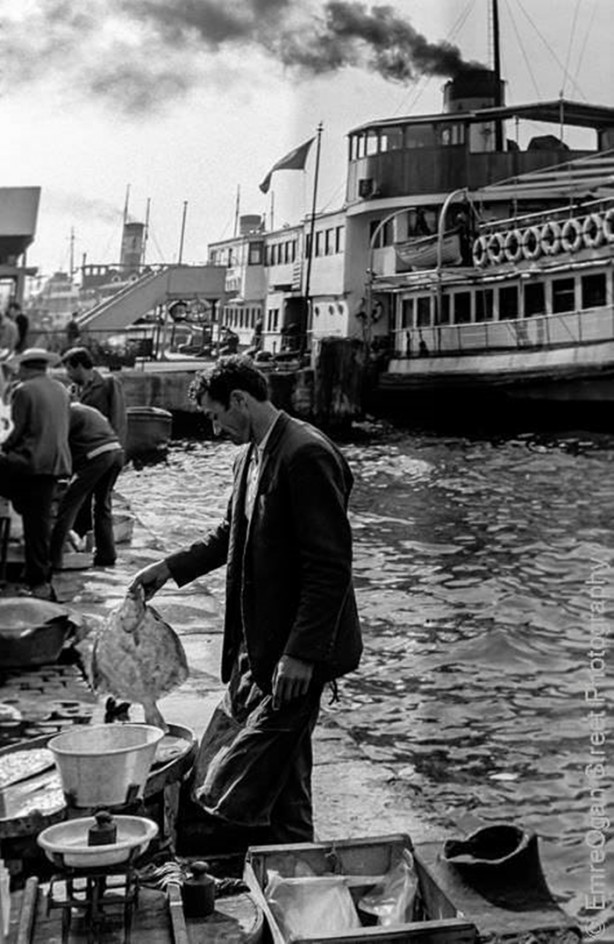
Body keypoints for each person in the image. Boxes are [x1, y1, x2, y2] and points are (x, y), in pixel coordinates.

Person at [130, 355, 362, 852]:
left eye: (216, 416)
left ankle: (281, 860)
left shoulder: (306, 454)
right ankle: (293, 867)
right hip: (261, 645)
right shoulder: (249, 456)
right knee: (288, 771)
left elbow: (330, 567)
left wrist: (302, 654)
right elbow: (230, 535)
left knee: (243, 768)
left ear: (240, 400)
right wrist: (168, 569)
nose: (215, 430)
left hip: (296, 649)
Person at [0, 348, 71, 599]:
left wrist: (4, 447)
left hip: (30, 464)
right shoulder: (61, 389)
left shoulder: (24, 390)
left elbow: (17, 431)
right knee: (38, 524)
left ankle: (34, 576)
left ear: (27, 368)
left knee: (32, 520)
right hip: (54, 465)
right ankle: (39, 576)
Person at [61, 346, 127, 544]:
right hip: (84, 454)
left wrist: (120, 450)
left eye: (69, 369)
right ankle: (86, 541)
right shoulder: (73, 390)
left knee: (99, 501)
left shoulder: (108, 383)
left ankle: (90, 542)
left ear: (80, 366)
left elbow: (118, 418)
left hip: (104, 449)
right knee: (88, 500)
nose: (67, 374)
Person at [50, 403, 124, 570]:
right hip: (116, 453)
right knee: (102, 506)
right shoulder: (82, 410)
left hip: (97, 456)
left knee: (68, 505)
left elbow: (61, 449)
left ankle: (54, 558)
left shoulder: (61, 414)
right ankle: (107, 555)